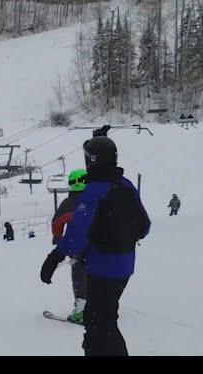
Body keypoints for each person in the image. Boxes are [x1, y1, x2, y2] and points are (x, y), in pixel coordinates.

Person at [40, 135, 151, 356]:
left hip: (102, 266)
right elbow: (144, 225)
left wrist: (55, 257)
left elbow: (77, 233)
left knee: (102, 324)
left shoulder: (93, 191)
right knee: (97, 319)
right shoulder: (126, 185)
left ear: (90, 161)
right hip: (125, 264)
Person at [50, 168, 89, 324]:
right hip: (99, 246)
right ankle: (99, 307)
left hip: (77, 248)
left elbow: (57, 222)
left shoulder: (69, 203)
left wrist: (58, 238)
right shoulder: (97, 198)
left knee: (79, 276)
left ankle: (81, 310)